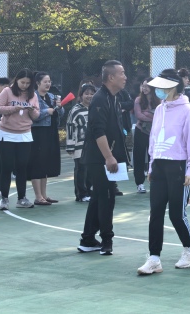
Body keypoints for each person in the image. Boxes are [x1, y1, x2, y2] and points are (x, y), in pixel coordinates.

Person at [137, 69, 190, 274]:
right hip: (159, 166)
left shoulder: (187, 110)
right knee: (155, 212)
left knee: (176, 214)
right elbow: (154, 139)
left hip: (178, 166)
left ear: (173, 86)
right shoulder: (159, 109)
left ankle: (189, 250)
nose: (157, 90)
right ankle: (154, 258)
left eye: (162, 86)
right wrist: (151, 165)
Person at [77, 60, 129, 255]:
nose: (125, 77)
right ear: (111, 77)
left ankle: (88, 239)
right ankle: (107, 241)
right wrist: (108, 157)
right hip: (100, 159)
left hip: (107, 157)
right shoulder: (100, 99)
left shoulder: (114, 97)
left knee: (99, 197)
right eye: (122, 73)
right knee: (106, 198)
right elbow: (98, 131)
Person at [0, 69, 40, 210]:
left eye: (28, 83)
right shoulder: (7, 91)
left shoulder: (33, 95)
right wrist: (14, 108)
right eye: (22, 82)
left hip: (24, 134)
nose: (25, 85)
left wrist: (32, 110)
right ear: (16, 80)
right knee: (7, 166)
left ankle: (22, 198)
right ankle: (4, 199)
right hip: (6, 133)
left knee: (22, 166)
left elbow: (36, 116)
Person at [28, 72, 64, 206]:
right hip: (38, 132)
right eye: (45, 81)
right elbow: (33, 116)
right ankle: (38, 196)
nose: (48, 84)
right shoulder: (33, 97)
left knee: (46, 163)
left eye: (49, 81)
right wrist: (46, 111)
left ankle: (44, 195)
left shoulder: (52, 96)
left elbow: (60, 114)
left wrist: (60, 106)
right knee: (37, 163)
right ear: (37, 83)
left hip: (51, 131)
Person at [67, 83, 96, 202]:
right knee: (81, 169)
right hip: (79, 146)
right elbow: (70, 127)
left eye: (92, 94)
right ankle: (81, 194)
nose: (89, 96)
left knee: (91, 170)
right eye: (86, 93)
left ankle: (89, 191)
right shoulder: (75, 110)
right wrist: (70, 145)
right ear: (81, 95)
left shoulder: (96, 108)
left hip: (93, 145)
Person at [133, 78, 160, 194]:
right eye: (143, 86)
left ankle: (153, 181)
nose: (144, 88)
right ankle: (139, 183)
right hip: (141, 131)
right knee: (139, 156)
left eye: (147, 86)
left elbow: (160, 115)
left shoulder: (159, 100)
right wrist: (152, 116)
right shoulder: (138, 100)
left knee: (153, 156)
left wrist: (147, 114)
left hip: (154, 132)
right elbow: (139, 115)